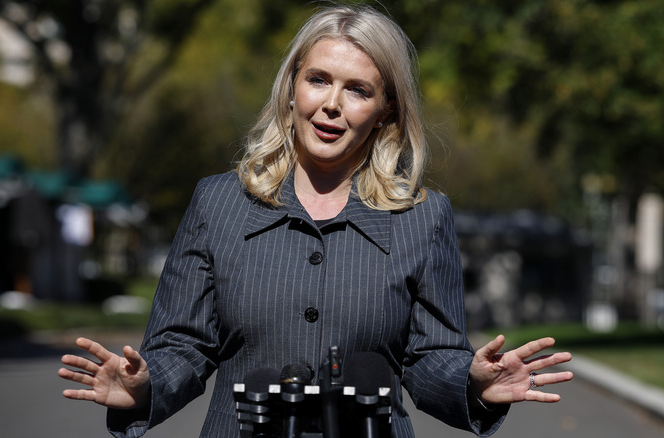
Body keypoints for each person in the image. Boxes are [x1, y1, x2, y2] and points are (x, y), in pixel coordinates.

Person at [59, 4, 574, 437]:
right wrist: (144, 387)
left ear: (387, 111)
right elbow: (182, 346)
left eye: (357, 90)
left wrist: (472, 385)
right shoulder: (216, 203)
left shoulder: (424, 217)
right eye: (318, 80)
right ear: (291, 88)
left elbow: (431, 357)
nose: (331, 105)